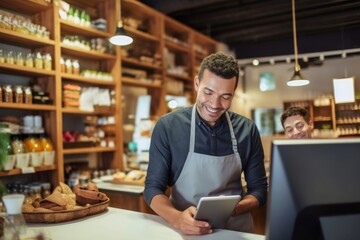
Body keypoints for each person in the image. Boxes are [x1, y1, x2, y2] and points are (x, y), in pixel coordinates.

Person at [144, 52, 268, 235]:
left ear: (233, 94)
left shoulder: (247, 130)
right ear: (196, 84)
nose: (215, 104)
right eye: (208, 92)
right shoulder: (168, 126)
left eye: (225, 97)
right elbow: (152, 188)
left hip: (235, 230)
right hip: (185, 230)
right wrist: (177, 218)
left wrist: (233, 209)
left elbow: (259, 191)